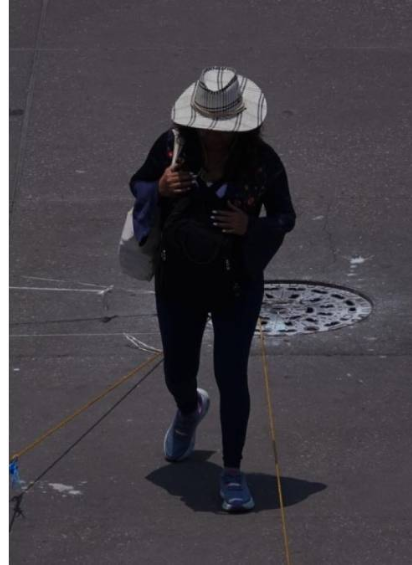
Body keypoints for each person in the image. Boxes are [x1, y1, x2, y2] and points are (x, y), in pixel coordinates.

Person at [129, 67, 295, 513]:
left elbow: (284, 217)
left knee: (231, 375)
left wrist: (251, 226)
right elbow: (139, 185)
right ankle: (188, 410)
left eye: (223, 129)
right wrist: (159, 188)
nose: (213, 136)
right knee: (177, 372)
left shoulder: (263, 162)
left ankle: (234, 473)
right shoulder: (171, 147)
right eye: (206, 127)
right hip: (178, 280)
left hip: (236, 285)